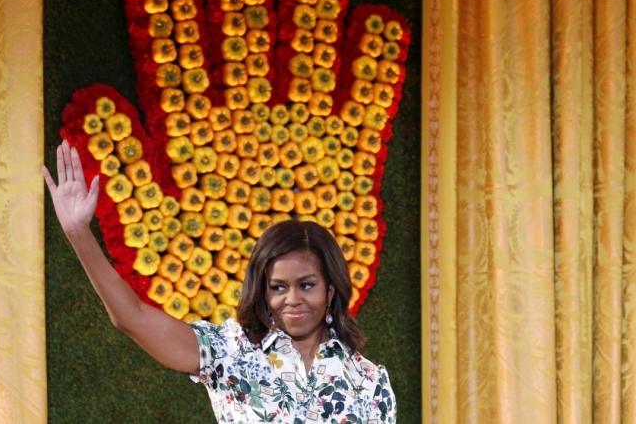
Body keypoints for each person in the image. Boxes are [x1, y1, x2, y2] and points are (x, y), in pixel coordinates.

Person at [44, 139, 397, 423]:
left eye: (306, 285)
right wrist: (78, 234)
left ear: (330, 288)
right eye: (278, 287)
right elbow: (131, 317)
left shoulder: (369, 381)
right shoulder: (228, 352)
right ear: (263, 291)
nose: (292, 299)